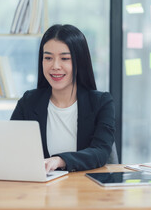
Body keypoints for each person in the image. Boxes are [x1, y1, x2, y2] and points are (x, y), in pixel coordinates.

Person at [11, 24, 116, 172]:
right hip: (40, 190)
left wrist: (61, 160)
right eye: (48, 58)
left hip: (85, 190)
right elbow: (11, 147)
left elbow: (100, 152)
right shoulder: (28, 102)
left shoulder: (101, 103)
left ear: (79, 62)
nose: (55, 66)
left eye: (65, 58)